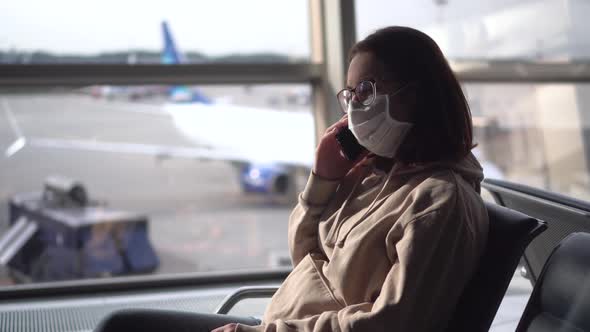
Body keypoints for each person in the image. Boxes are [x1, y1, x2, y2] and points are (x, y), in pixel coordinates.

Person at [96, 26, 489, 332]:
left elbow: (389, 326)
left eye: (366, 91)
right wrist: (322, 180)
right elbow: (305, 259)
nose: (353, 107)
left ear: (415, 95)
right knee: (122, 324)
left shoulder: (438, 203)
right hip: (282, 323)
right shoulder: (374, 173)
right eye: (349, 94)